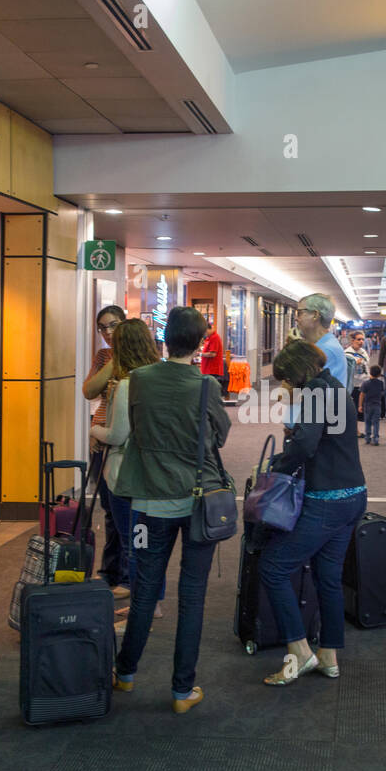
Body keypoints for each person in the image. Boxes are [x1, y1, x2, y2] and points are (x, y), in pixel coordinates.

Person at [111, 306, 231, 714]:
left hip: (148, 501)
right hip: (197, 502)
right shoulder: (206, 385)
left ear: (165, 339)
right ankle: (182, 691)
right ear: (200, 344)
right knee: (192, 595)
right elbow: (220, 435)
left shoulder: (138, 380)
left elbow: (135, 426)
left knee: (145, 590)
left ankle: (125, 673)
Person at [258, 341, 367, 686]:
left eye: (286, 378)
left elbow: (305, 443)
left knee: (273, 567)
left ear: (297, 372)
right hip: (354, 495)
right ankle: (329, 656)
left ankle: (300, 651)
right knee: (328, 577)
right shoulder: (337, 387)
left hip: (327, 499)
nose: (285, 384)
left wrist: (277, 466)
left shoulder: (317, 393)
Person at [90, 319, 165, 621]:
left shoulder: (125, 385)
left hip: (124, 473)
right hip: (155, 473)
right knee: (149, 543)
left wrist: (94, 430)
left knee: (133, 544)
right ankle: (154, 601)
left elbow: (117, 435)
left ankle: (142, 608)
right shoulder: (158, 379)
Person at [82, 304, 128, 593]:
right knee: (109, 509)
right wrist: (113, 359)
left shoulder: (141, 357)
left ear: (124, 324)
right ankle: (109, 570)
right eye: (103, 328)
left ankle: (127, 575)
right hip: (100, 437)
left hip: (124, 441)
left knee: (127, 511)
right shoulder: (103, 356)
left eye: (113, 325)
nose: (108, 332)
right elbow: (89, 390)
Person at [344, 329, 371, 436]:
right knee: (354, 409)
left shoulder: (363, 352)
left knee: (364, 409)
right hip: (354, 385)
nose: (361, 342)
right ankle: (355, 431)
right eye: (358, 339)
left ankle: (365, 430)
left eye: (362, 340)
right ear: (352, 341)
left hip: (364, 384)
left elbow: (367, 367)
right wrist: (354, 363)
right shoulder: (346, 354)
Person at [361, 364, 385, 444]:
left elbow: (362, 395)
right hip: (377, 405)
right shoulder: (380, 383)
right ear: (379, 374)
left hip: (367, 405)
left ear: (370, 373)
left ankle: (367, 437)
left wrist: (360, 405)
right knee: (376, 422)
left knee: (367, 422)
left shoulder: (365, 383)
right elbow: (382, 393)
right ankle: (375, 438)